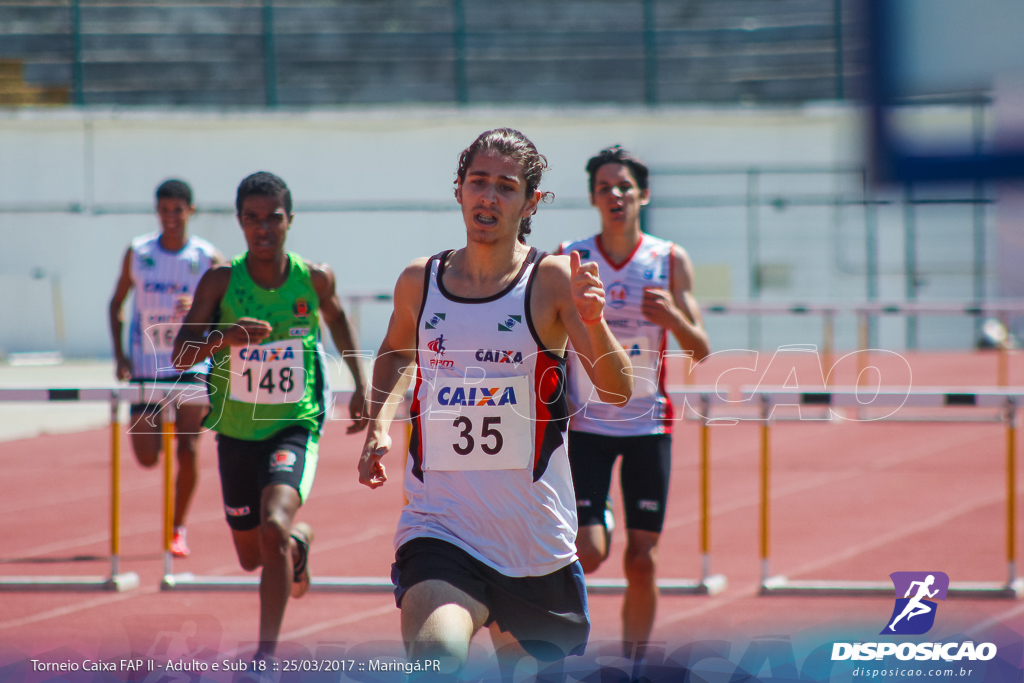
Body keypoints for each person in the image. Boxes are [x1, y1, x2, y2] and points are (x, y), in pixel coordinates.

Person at [357, 128, 633, 678]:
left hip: (534, 543)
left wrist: (596, 324)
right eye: (478, 182)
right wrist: (378, 426)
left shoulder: (551, 279)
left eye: (506, 187)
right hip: (441, 528)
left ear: (530, 202)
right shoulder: (421, 280)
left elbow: (617, 388)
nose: (488, 197)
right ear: (458, 189)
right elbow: (393, 353)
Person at [172, 172, 368, 664]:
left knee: (273, 523)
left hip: (294, 423)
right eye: (253, 219)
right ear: (239, 222)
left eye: (273, 218)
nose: (264, 229)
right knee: (252, 556)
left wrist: (362, 384)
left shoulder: (313, 278)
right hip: (236, 431)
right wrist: (226, 337)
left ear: (290, 220)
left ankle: (265, 658)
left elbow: (338, 320)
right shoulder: (221, 280)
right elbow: (179, 355)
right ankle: (296, 546)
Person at [557, 146, 710, 658]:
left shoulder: (668, 260)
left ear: (642, 194)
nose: (615, 196)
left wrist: (673, 320)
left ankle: (633, 664)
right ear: (593, 198)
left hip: (648, 426)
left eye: (624, 187)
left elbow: (701, 350)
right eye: (605, 188)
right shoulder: (572, 256)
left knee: (642, 561)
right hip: (587, 426)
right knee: (590, 553)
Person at [108, 179, 222, 558]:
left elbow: (228, 309)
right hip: (145, 368)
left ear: (191, 211)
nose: (171, 217)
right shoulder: (138, 253)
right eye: (164, 210)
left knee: (188, 450)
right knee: (146, 456)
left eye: (178, 210)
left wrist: (201, 306)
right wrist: (120, 356)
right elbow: (116, 304)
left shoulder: (207, 258)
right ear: (157, 211)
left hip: (191, 366)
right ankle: (173, 517)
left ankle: (177, 528)